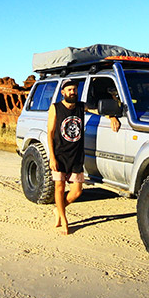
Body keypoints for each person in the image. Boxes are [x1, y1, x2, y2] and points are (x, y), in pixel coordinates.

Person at [47, 78, 120, 234]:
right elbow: (50, 133)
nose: (72, 92)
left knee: (77, 191)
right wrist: (52, 157)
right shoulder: (55, 108)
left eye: (74, 89)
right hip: (59, 154)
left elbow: (97, 110)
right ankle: (64, 220)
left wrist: (112, 117)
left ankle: (58, 210)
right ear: (63, 92)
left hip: (76, 155)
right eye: (69, 90)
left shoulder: (81, 106)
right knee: (59, 187)